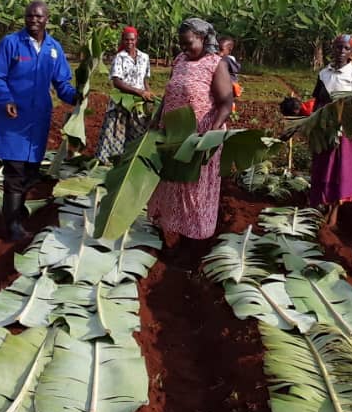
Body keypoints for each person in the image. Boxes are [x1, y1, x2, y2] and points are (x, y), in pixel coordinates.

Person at [0, 1, 78, 241]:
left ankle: (16, 214)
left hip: (37, 121)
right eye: (29, 16)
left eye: (38, 16)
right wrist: (5, 99)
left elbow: (62, 84)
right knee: (14, 172)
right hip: (13, 119)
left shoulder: (54, 48)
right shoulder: (11, 43)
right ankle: (12, 226)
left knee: (31, 171)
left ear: (47, 19)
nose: (33, 20)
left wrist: (77, 96)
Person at [146, 18, 234, 243]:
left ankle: (193, 239)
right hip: (173, 135)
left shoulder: (216, 64)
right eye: (181, 44)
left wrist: (212, 133)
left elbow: (226, 103)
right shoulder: (179, 60)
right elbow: (168, 94)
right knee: (170, 183)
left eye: (188, 43)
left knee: (192, 189)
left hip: (198, 138)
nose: (184, 48)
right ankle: (169, 230)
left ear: (203, 39)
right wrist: (156, 119)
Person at [308, 34, 352, 226]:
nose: (341, 51)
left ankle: (335, 210)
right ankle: (320, 203)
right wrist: (311, 123)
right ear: (332, 49)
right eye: (338, 47)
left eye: (346, 48)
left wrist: (342, 115)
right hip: (324, 127)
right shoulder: (324, 73)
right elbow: (317, 100)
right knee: (322, 165)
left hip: (345, 129)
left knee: (341, 169)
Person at [95, 26, 153, 162]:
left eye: (132, 40)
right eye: (126, 40)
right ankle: (108, 162)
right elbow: (117, 82)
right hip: (121, 102)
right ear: (123, 40)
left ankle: (132, 161)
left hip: (138, 104)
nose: (129, 42)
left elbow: (144, 80)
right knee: (114, 134)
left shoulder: (144, 57)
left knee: (137, 133)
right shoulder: (119, 57)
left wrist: (148, 93)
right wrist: (139, 91)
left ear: (136, 40)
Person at [220, 35, 243, 100]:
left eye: (221, 50)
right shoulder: (217, 58)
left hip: (231, 83)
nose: (219, 53)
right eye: (217, 49)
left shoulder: (228, 59)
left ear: (229, 50)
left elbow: (236, 69)